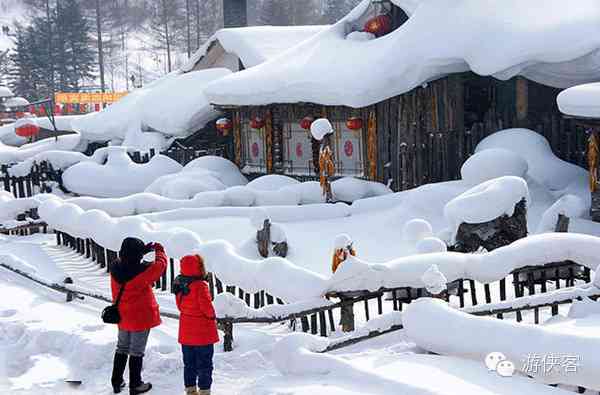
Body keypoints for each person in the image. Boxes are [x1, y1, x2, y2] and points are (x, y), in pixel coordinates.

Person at [109, 238, 167, 395]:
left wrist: (143, 250)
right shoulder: (142, 272)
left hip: (122, 315)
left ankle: (116, 381)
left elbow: (130, 257)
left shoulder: (115, 267)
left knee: (122, 347)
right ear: (138, 255)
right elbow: (160, 266)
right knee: (136, 351)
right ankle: (135, 385)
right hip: (140, 317)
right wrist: (159, 250)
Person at [173, 255, 219, 395]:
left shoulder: (180, 283)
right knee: (205, 364)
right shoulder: (200, 285)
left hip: (186, 333)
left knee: (189, 364)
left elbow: (180, 306)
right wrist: (213, 316)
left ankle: (191, 390)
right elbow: (206, 308)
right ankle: (204, 391)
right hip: (202, 334)